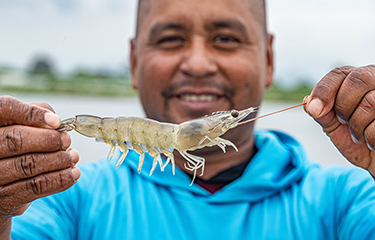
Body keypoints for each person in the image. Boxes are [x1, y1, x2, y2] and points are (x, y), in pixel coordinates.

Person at [1, 0, 375, 239]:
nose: (197, 63)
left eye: (226, 38)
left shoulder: (350, 199)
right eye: (170, 39)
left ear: (269, 60)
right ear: (133, 62)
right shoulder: (64, 197)